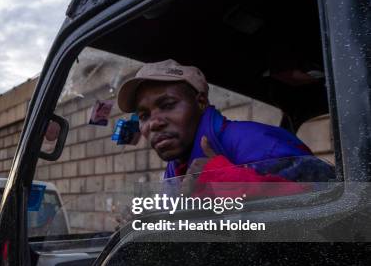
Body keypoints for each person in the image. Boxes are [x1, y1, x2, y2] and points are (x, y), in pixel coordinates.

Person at [117, 59, 334, 188]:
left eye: (167, 105)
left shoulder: (260, 144)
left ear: (201, 102)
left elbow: (327, 213)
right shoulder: (178, 164)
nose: (153, 124)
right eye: (144, 116)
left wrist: (230, 182)